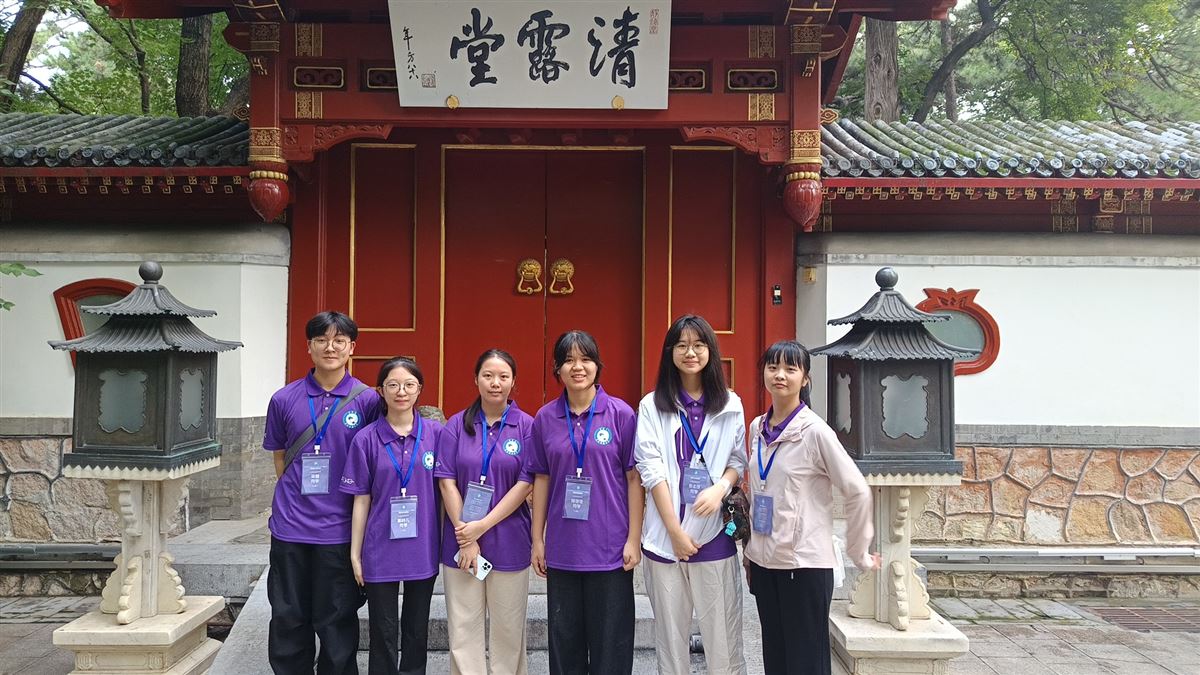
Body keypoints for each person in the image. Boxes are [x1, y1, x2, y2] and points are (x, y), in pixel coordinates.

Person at [744, 340, 880, 675]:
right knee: (776, 660)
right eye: (773, 367)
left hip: (803, 566)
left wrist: (858, 551)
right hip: (764, 564)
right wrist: (750, 553)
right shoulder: (757, 428)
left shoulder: (816, 432)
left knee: (806, 664)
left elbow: (857, 490)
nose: (780, 375)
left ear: (805, 378)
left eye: (790, 369)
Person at [263, 311, 381, 675]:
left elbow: (375, 461)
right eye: (321, 340)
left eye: (339, 341)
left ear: (351, 348)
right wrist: (295, 502)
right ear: (309, 347)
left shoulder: (367, 401)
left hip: (340, 530)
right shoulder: (284, 399)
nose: (330, 348)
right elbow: (280, 457)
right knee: (288, 615)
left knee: (337, 619)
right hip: (291, 529)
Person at [635, 315, 748, 675]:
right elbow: (650, 469)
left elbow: (737, 460)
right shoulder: (651, 405)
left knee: (723, 639)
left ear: (710, 351)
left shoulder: (730, 404)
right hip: (664, 538)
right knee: (671, 640)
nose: (690, 352)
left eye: (699, 345)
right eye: (681, 345)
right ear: (670, 352)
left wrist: (720, 488)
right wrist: (674, 531)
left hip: (713, 534)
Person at [527, 330, 644, 675]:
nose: (577, 367)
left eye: (585, 359)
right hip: (563, 549)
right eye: (568, 360)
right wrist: (537, 539)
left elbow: (633, 479)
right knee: (565, 646)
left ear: (597, 365)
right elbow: (542, 478)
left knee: (611, 647)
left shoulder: (621, 414)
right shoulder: (545, 418)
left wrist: (633, 538)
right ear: (557, 369)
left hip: (610, 549)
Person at [436, 349, 536, 675]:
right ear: (476, 380)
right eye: (488, 376)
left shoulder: (527, 426)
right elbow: (447, 481)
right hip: (461, 541)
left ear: (513, 382)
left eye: (503, 377)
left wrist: (480, 527)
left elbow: (525, 483)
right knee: (463, 626)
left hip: (510, 540)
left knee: (509, 628)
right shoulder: (456, 425)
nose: (495, 383)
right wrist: (467, 537)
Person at [341, 357, 443, 675]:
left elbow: (447, 492)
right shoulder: (366, 439)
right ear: (380, 390)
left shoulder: (436, 435)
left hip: (422, 547)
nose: (402, 391)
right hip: (379, 549)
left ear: (419, 389)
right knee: (382, 631)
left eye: (409, 385)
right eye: (393, 385)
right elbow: (361, 500)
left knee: (416, 628)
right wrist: (355, 554)